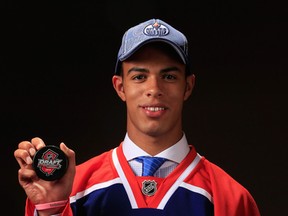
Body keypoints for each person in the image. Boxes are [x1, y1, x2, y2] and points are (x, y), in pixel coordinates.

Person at [14, 18, 261, 216]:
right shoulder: (76, 189)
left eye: (169, 76)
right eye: (139, 76)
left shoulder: (229, 197)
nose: (154, 88)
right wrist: (52, 210)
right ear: (120, 87)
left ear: (188, 86)